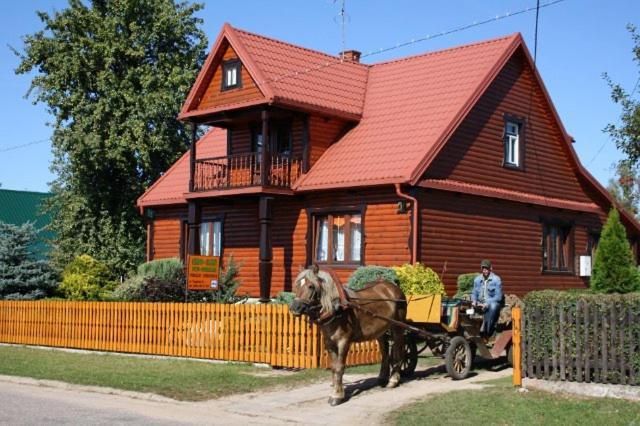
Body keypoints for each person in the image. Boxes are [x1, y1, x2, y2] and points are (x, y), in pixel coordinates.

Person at [471, 259, 503, 337]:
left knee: (493, 306)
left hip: (491, 302)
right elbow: (474, 293)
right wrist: (474, 300)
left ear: (491, 268)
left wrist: (487, 303)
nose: (484, 270)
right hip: (480, 303)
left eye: (486, 268)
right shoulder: (477, 280)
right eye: (483, 268)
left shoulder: (496, 279)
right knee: (466, 309)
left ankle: (486, 332)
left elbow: (498, 297)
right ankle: (471, 333)